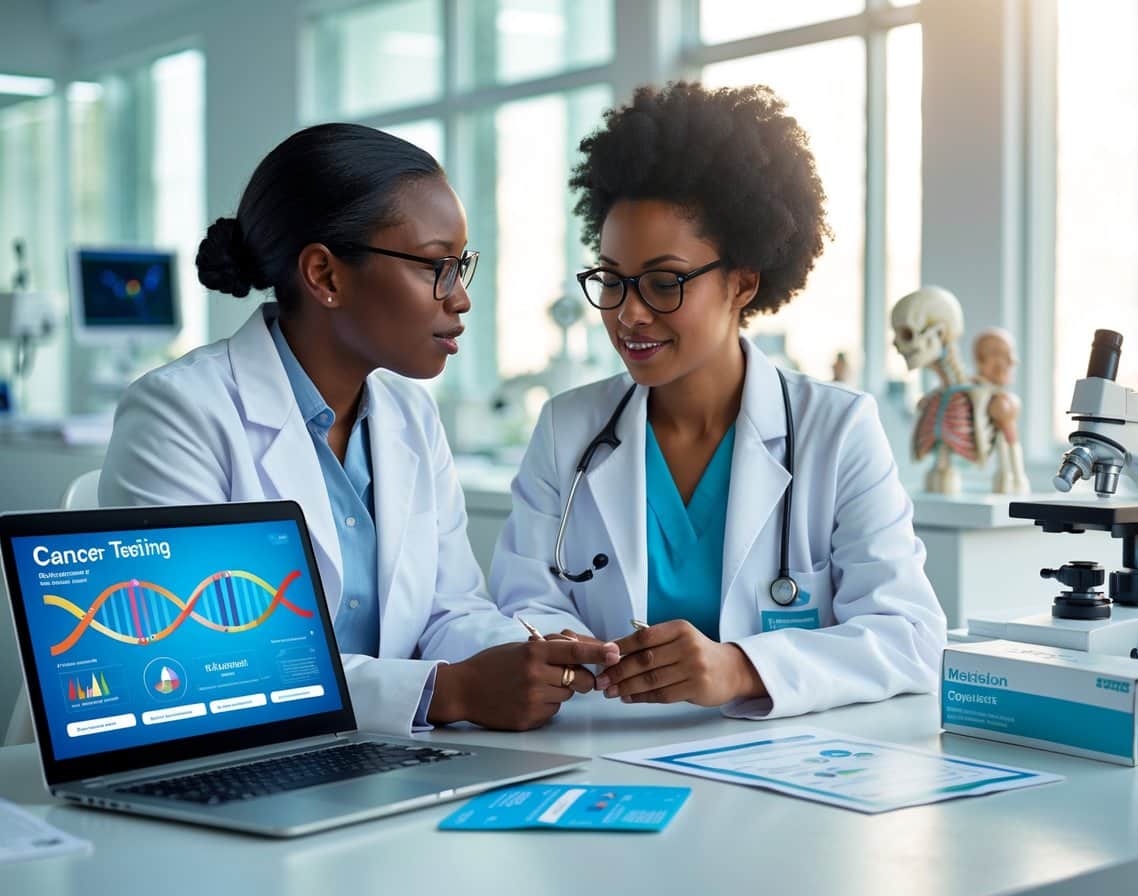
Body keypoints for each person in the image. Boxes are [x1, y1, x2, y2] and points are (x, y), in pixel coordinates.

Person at [99, 123, 618, 735]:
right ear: (325, 275)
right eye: (436, 267)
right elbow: (202, 667)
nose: (460, 300)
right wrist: (450, 692)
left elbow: (447, 609)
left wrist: (535, 654)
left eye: (462, 268)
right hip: (236, 762)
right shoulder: (179, 413)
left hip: (386, 759)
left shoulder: (411, 416)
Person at [490, 83, 947, 720]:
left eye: (663, 282)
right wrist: (563, 649)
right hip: (603, 749)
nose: (630, 314)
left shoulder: (837, 428)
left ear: (743, 281)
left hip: (781, 771)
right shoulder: (569, 427)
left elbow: (912, 638)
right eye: (613, 281)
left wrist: (739, 668)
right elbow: (520, 603)